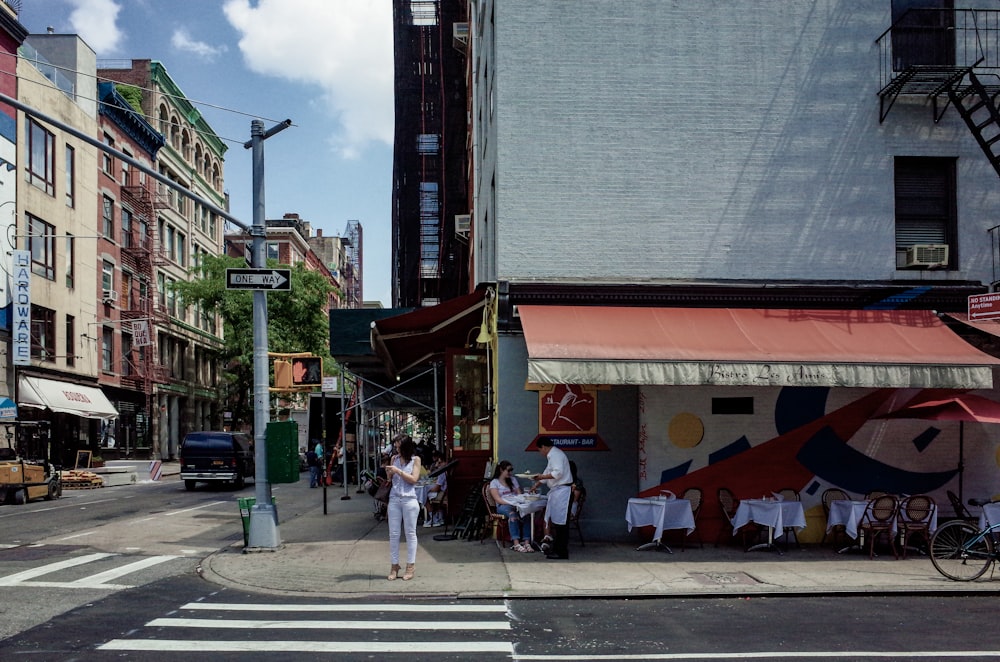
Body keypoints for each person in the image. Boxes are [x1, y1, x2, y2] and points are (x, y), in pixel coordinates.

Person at [386, 433, 422, 581]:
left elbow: (414, 479)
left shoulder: (415, 460)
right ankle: (394, 566)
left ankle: (410, 566)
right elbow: (390, 479)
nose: (396, 448)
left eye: (398, 446)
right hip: (394, 498)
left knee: (410, 533)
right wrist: (389, 473)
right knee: (393, 534)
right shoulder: (394, 459)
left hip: (409, 499)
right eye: (395, 446)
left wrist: (398, 471)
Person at [532, 436, 573, 560]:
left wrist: (541, 477)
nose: (540, 453)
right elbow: (546, 473)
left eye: (540, 450)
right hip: (557, 492)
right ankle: (557, 549)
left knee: (561, 523)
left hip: (562, 491)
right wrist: (537, 483)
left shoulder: (555, 455)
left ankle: (562, 552)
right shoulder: (553, 456)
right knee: (556, 521)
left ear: (543, 447)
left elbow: (557, 473)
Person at [489, 460, 532, 552]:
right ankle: (516, 542)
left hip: (516, 503)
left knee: (526, 514)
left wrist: (519, 501)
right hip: (503, 505)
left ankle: (526, 542)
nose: (510, 473)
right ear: (501, 470)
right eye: (508, 470)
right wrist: (511, 503)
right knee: (513, 515)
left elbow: (519, 493)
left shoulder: (512, 480)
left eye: (511, 470)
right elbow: (498, 499)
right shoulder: (495, 482)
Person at [541, 460, 583, 553]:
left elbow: (574, 499)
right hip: (559, 504)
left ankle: (557, 543)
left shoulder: (576, 482)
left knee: (557, 515)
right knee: (547, 513)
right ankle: (547, 538)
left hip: (569, 506)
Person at [423, 450, 448, 527]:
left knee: (425, 497)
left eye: (439, 462)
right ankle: (439, 518)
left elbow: (436, 488)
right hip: (445, 491)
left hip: (443, 493)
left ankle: (434, 519)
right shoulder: (445, 470)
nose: (437, 465)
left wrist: (427, 490)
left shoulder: (442, 472)